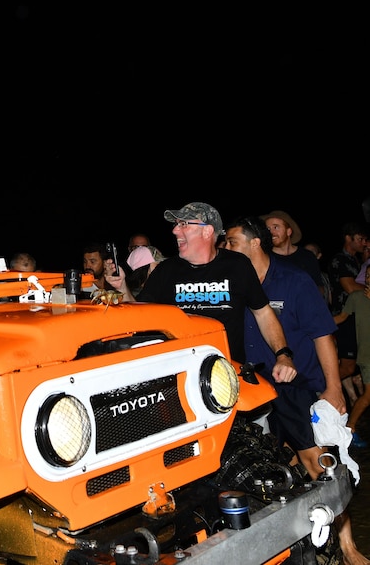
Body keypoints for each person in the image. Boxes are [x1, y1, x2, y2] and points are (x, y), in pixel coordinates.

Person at [223, 216, 368, 565]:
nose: (225, 248)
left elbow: (323, 335)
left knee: (320, 466)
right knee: (278, 471)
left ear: (255, 242)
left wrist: (333, 387)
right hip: (254, 394)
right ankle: (300, 544)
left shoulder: (294, 281)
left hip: (299, 388)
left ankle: (348, 547)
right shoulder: (233, 284)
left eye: (231, 241)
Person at [105, 202, 296, 369]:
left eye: (184, 224)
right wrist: (122, 287)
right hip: (179, 372)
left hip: (227, 372)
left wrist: (283, 355)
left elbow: (262, 312)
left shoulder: (237, 265)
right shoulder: (166, 270)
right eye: (176, 224)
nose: (175, 230)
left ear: (207, 231)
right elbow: (141, 315)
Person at [328, 222, 370, 406]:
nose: (364, 243)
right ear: (348, 238)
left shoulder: (357, 261)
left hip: (358, 317)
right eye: (360, 239)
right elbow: (350, 287)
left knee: (355, 365)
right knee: (348, 365)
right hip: (345, 317)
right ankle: (322, 387)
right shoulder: (340, 260)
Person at [338, 265, 370, 446]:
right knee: (368, 396)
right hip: (367, 355)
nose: (368, 279)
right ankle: (350, 429)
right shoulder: (357, 297)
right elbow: (341, 318)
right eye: (367, 275)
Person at [261, 210, 325, 297]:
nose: (271, 232)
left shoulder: (307, 256)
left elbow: (319, 287)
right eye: (268, 229)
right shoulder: (263, 257)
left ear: (289, 231)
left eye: (275, 227)